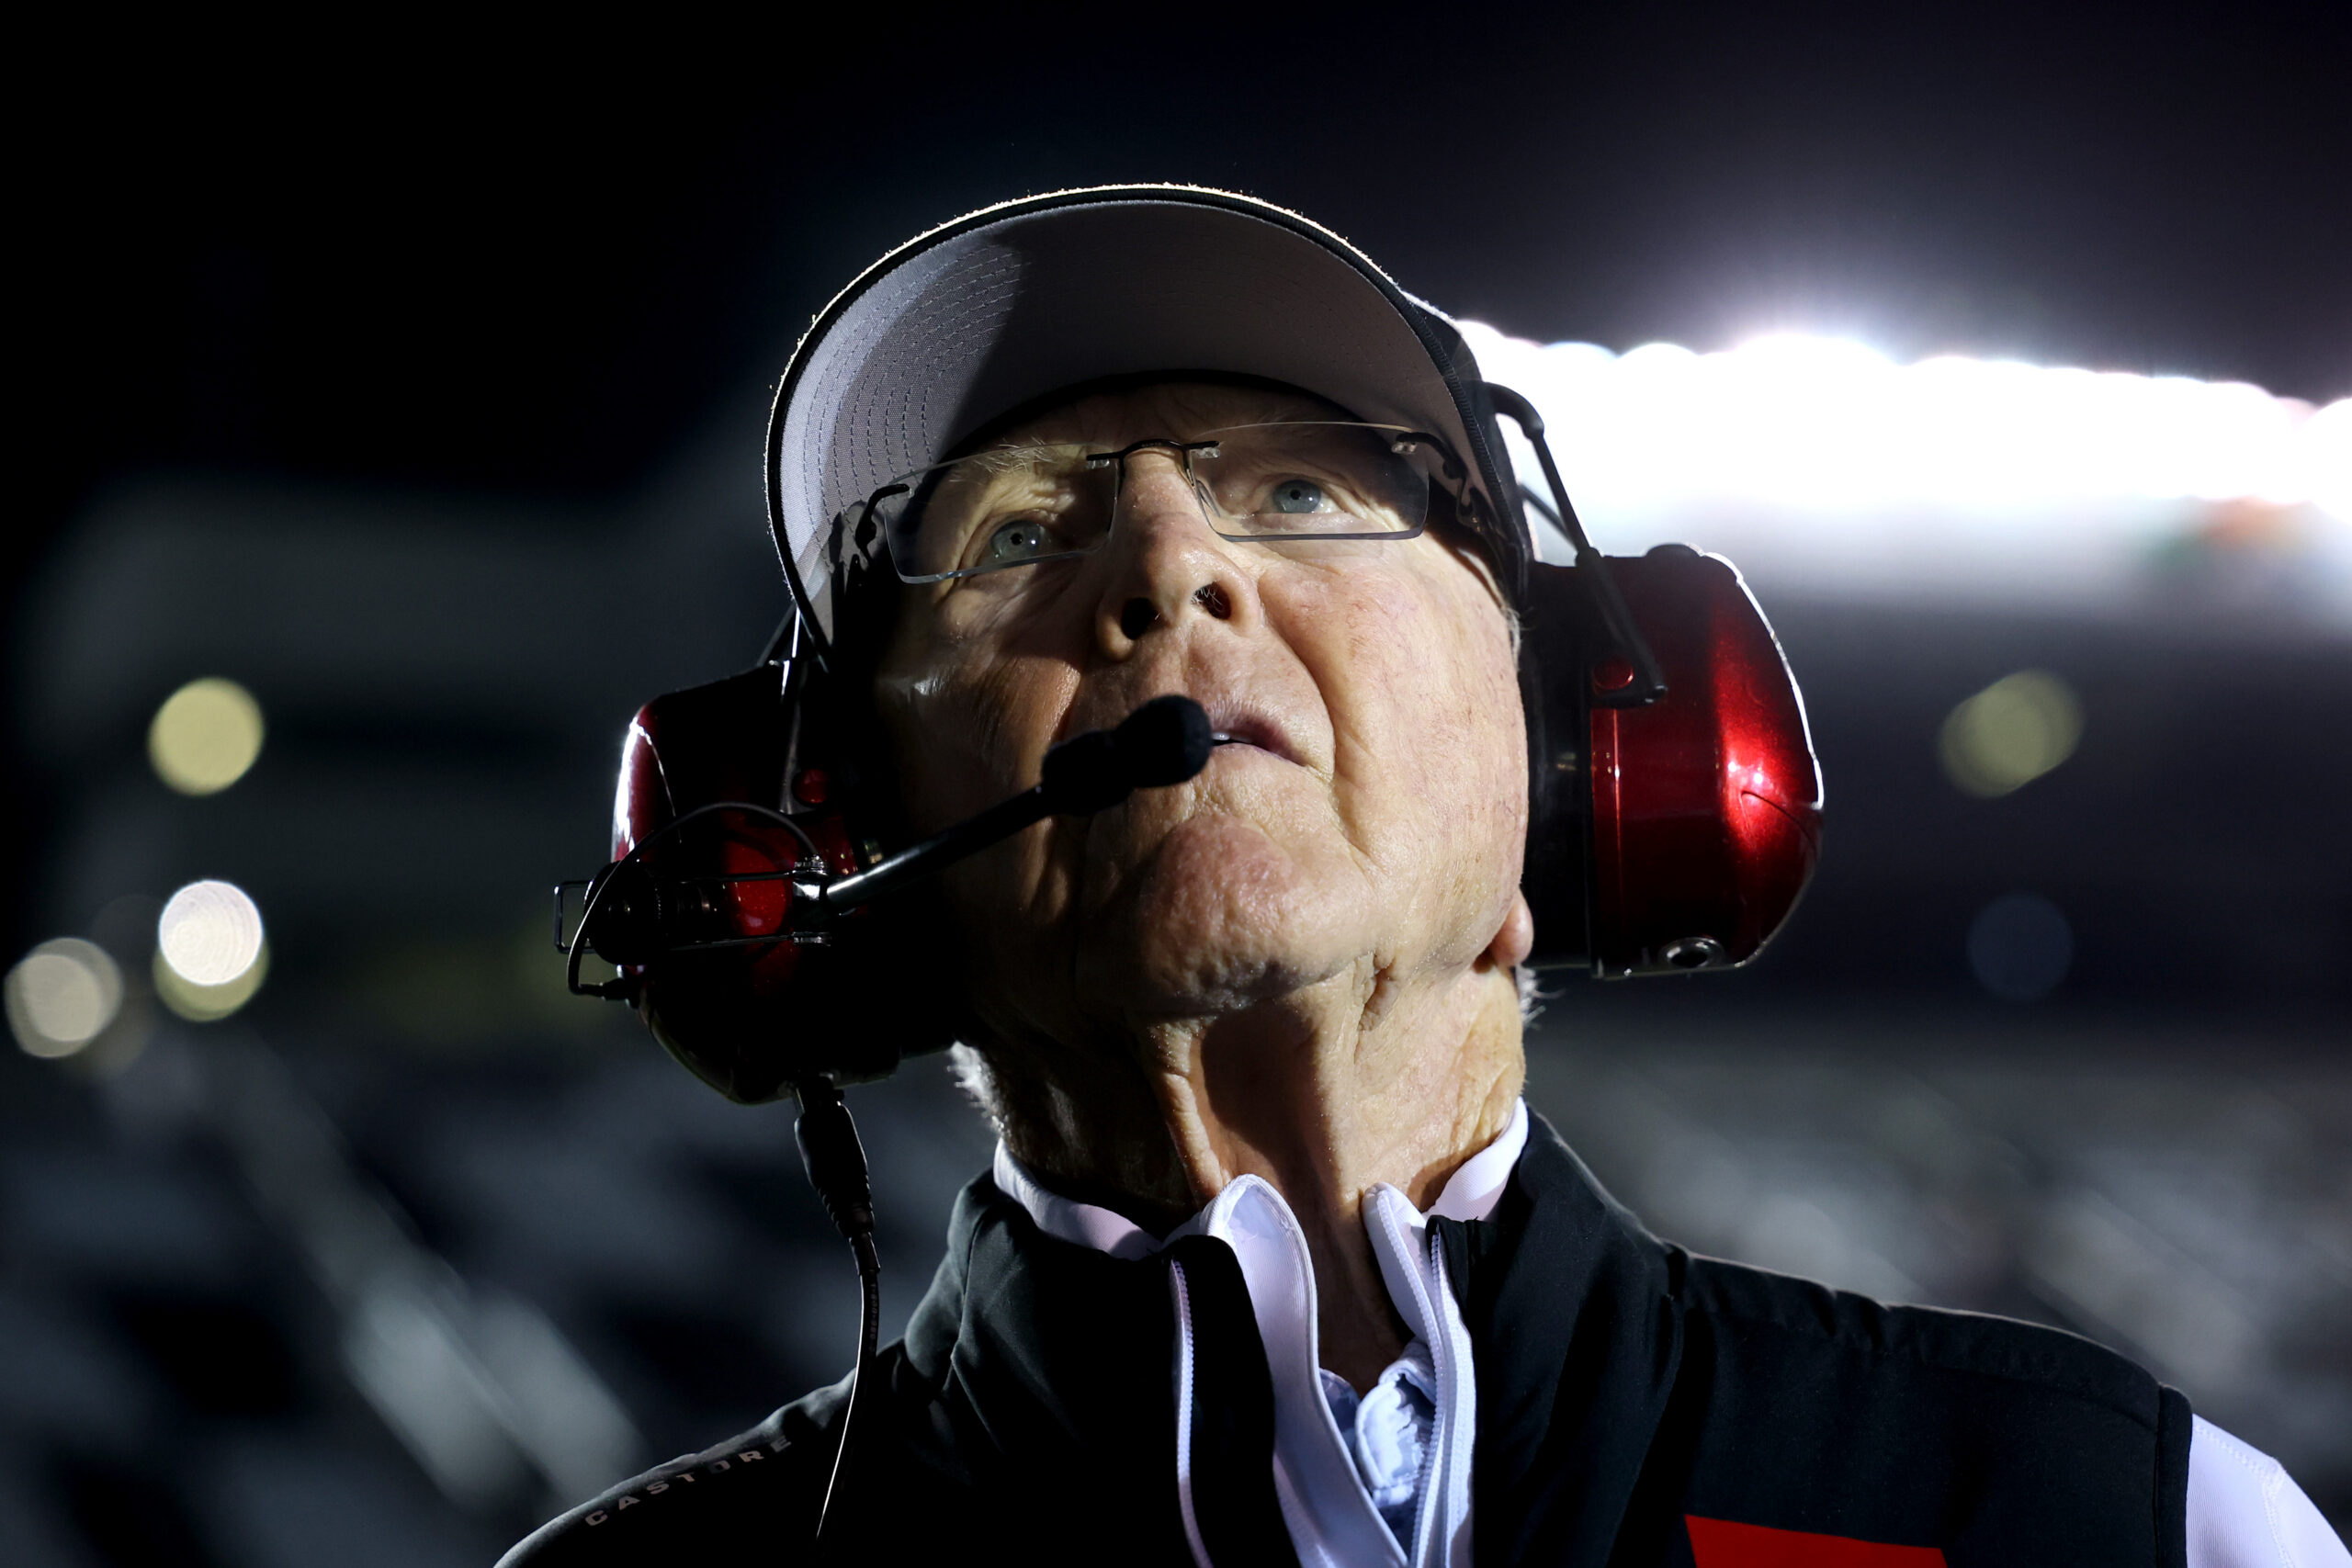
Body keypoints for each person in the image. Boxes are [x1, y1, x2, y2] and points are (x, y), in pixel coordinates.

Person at [502, 186, 2345, 1567]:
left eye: (1300, 492)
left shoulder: (2126, 1522)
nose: (1166, 565)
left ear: (1569, 746)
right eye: (1017, 527)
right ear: (841, 830)